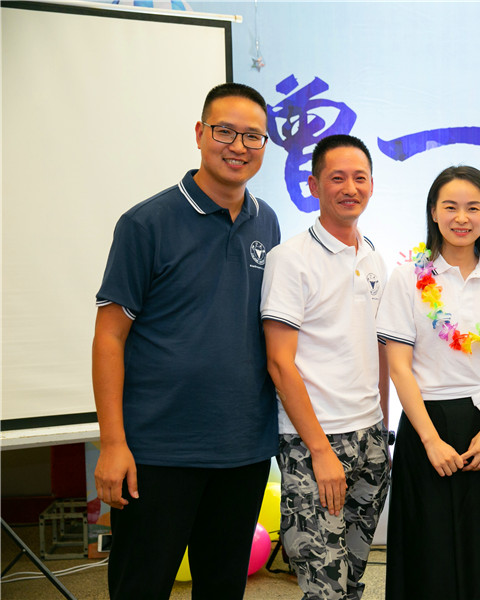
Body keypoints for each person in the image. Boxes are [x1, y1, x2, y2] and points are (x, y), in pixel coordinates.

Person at [92, 83, 280, 600]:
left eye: (253, 136)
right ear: (200, 133)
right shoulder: (145, 223)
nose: (238, 146)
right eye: (225, 132)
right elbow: (109, 337)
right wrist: (113, 443)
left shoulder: (267, 221)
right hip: (158, 450)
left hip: (242, 448)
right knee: (141, 586)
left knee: (222, 588)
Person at [376, 166, 480, 600]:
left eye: (473, 207)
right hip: (426, 428)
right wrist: (430, 441)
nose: (461, 218)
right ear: (433, 212)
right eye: (450, 207)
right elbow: (399, 368)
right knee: (429, 555)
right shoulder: (407, 278)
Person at [260, 134, 390, 600]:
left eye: (360, 178)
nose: (350, 188)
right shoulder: (290, 259)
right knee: (324, 587)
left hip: (369, 437)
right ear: (314, 186)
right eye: (337, 178)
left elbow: (378, 349)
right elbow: (279, 363)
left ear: (372, 185)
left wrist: (383, 429)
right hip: (313, 441)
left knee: (352, 581)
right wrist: (318, 450)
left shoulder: (373, 257)